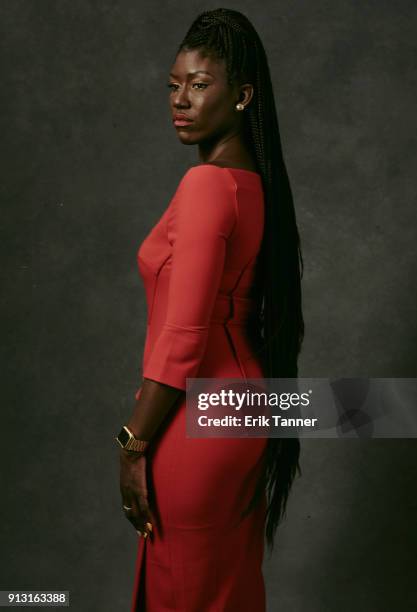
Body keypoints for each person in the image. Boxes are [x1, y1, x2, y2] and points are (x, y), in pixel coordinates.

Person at [115, 8, 305, 611]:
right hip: (246, 408)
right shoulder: (252, 183)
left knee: (183, 594)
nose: (181, 100)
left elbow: (185, 336)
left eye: (200, 85)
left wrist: (132, 443)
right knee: (227, 592)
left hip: (200, 415)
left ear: (242, 95)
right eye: (174, 85)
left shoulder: (205, 187)